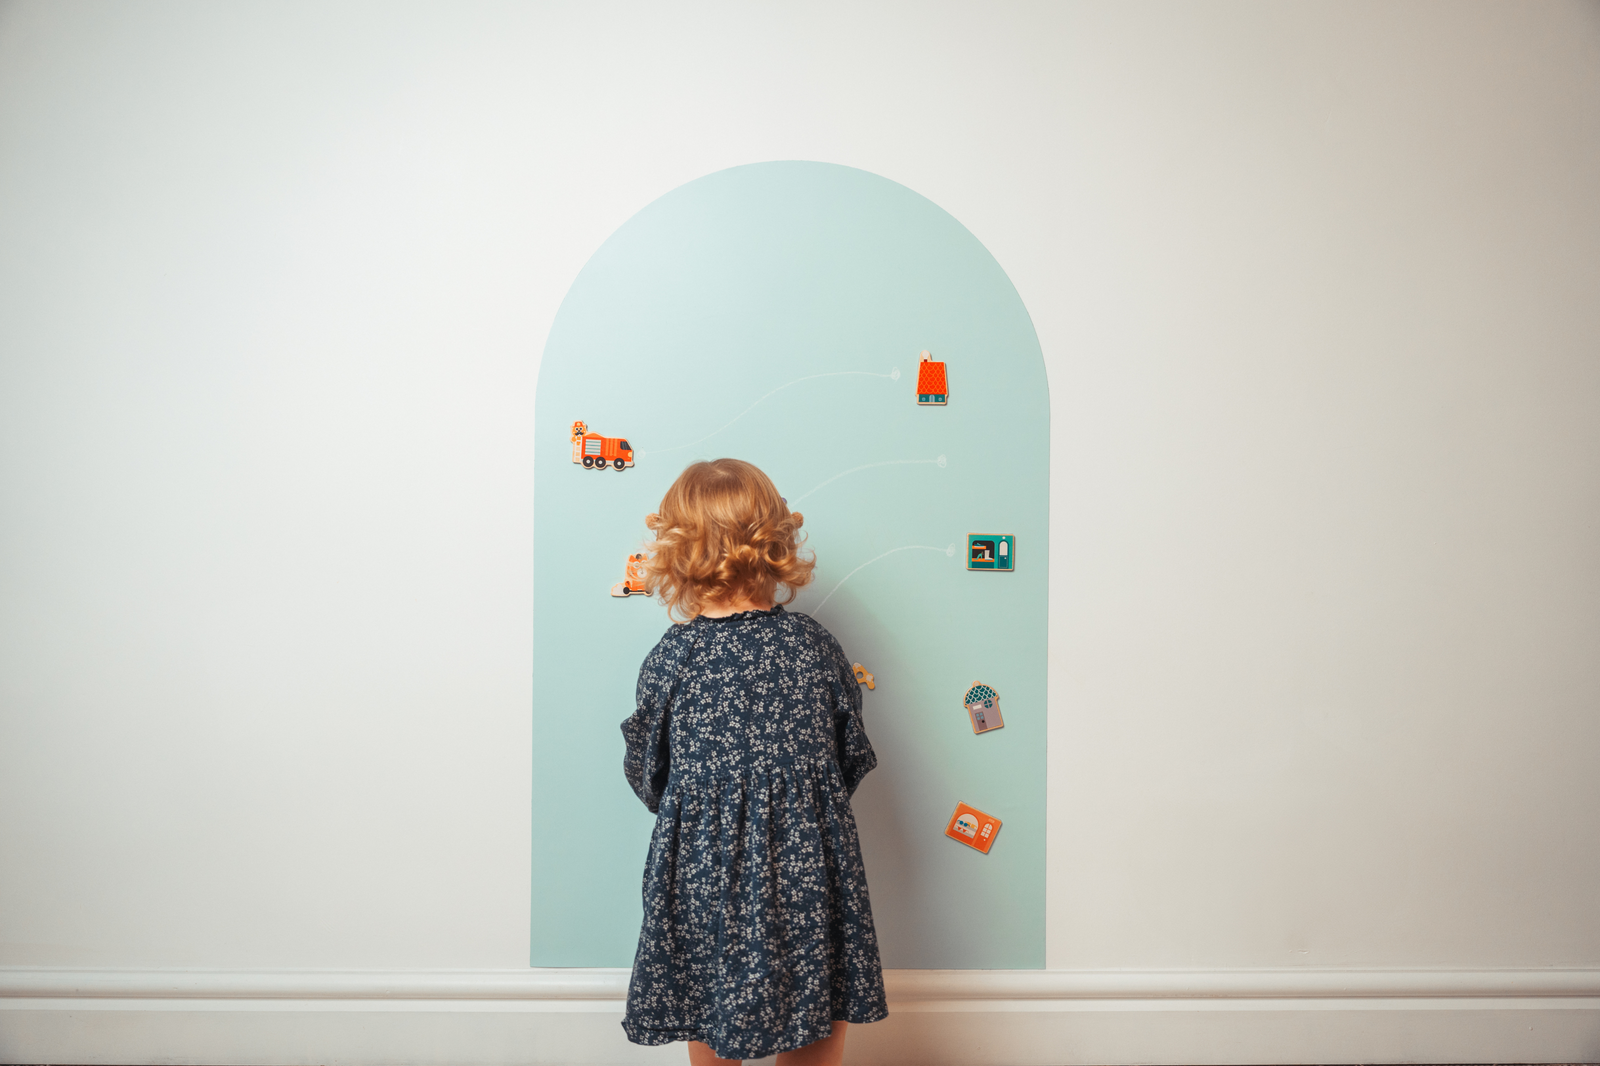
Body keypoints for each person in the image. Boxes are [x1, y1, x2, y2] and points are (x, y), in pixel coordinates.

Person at [619, 458, 887, 1066]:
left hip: (704, 871)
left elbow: (649, 775)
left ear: (677, 550)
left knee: (705, 995)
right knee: (818, 996)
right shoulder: (815, 646)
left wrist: (712, 808)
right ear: (775, 541)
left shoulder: (674, 657)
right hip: (810, 867)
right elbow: (849, 759)